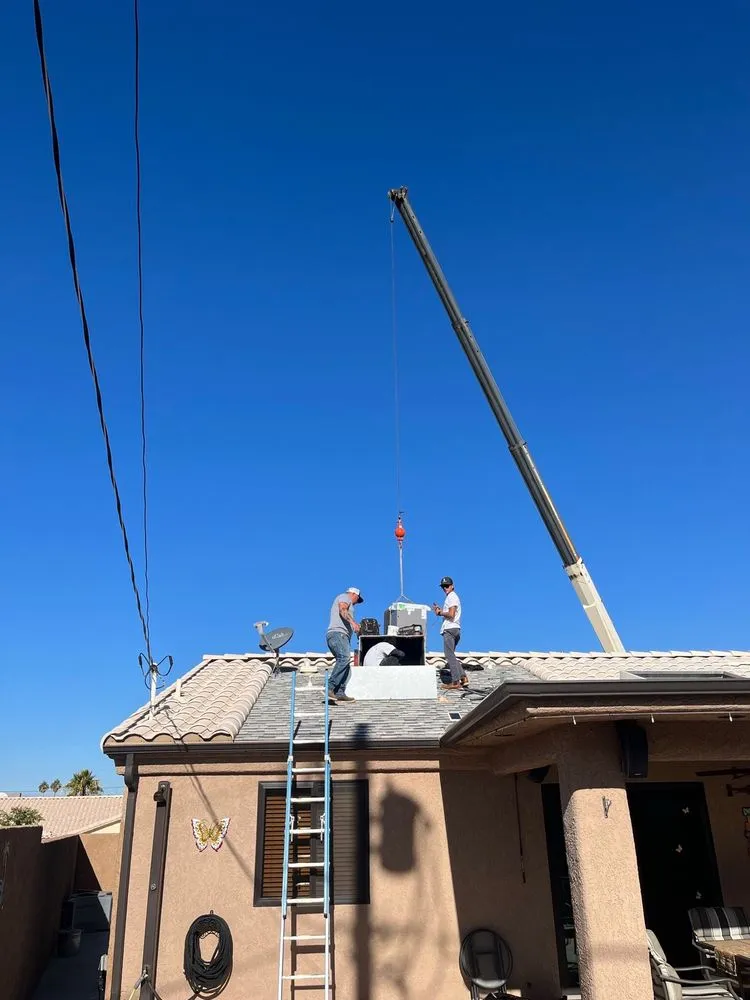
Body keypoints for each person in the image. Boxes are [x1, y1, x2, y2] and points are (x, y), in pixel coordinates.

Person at [325, 587, 364, 703]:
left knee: (346, 666)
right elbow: (342, 609)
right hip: (338, 634)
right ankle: (330, 687)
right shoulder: (344, 597)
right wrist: (353, 623)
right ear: (354, 594)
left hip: (340, 636)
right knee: (345, 658)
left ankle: (339, 692)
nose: (356, 602)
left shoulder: (347, 601)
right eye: (357, 599)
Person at [432, 576, 466, 690]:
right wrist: (441, 611)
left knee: (449, 655)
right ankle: (463, 677)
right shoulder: (452, 597)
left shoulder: (452, 597)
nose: (445, 588)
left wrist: (440, 612)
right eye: (443, 587)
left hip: (450, 629)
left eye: (447, 586)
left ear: (452, 586)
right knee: (451, 655)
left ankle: (456, 681)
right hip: (456, 629)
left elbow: (451, 614)